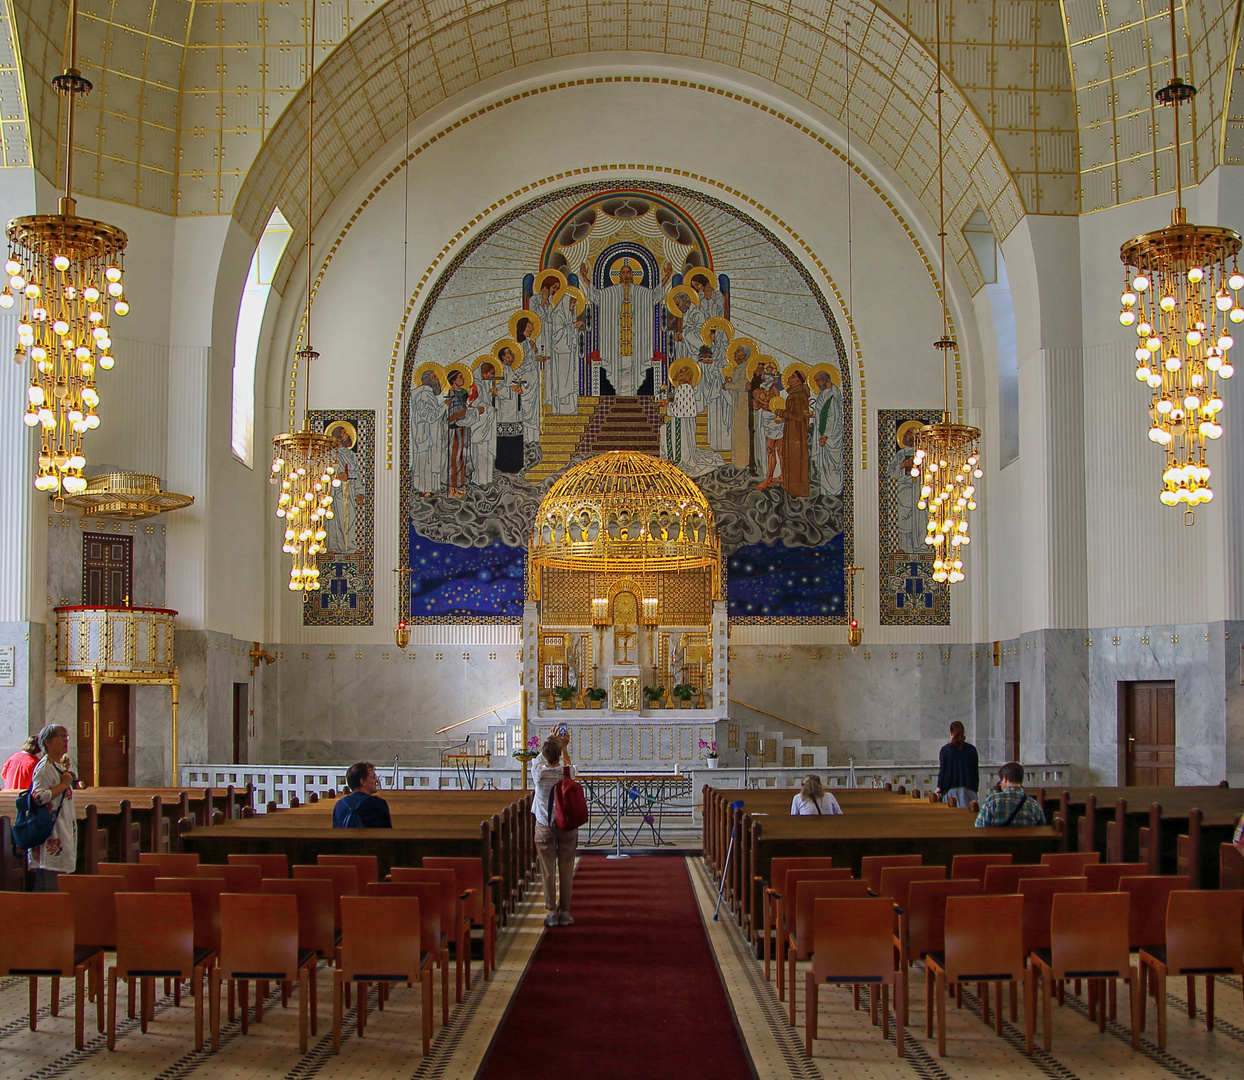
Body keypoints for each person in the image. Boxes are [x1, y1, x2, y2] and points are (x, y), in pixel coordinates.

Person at [579, 257, 672, 395]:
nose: (626, 275)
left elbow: (654, 296)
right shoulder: (611, 293)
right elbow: (597, 296)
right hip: (616, 346)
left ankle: (631, 397)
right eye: (623, 273)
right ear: (619, 275)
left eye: (628, 272)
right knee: (619, 376)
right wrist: (584, 278)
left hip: (635, 345)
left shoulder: (640, 293)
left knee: (634, 374)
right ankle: (621, 397)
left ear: (632, 275)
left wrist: (667, 277)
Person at [532, 733, 579, 927]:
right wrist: (564, 746)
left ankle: (551, 911)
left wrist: (552, 742)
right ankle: (565, 911)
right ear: (560, 754)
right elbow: (569, 765)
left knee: (547, 869)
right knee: (567, 867)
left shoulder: (538, 774)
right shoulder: (567, 772)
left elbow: (538, 759)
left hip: (544, 825)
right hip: (566, 825)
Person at [27, 725, 77, 891]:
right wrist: (63, 785)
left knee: (57, 883)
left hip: (60, 831)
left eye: (66, 736)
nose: (66, 739)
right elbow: (38, 797)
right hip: (51, 834)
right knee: (49, 886)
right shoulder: (44, 768)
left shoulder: (56, 766)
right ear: (47, 742)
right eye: (61, 736)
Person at [974, 762, 1046, 827]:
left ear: (1004, 778)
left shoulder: (992, 801)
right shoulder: (1034, 805)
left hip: (998, 841)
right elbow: (1042, 829)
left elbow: (979, 827)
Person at [332, 762, 392, 828]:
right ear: (363, 782)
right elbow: (387, 834)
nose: (376, 780)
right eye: (373, 777)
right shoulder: (378, 804)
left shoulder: (339, 805)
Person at [780, 369, 811, 496]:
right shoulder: (794, 394)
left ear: (798, 380)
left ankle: (796, 489)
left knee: (795, 460)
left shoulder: (798, 396)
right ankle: (790, 488)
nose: (789, 378)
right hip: (792, 429)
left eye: (792, 377)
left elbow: (798, 416)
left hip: (796, 432)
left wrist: (782, 413)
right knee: (790, 458)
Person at [935, 720, 980, 808]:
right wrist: (975, 789)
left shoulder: (945, 750)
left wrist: (939, 788)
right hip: (969, 789)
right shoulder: (972, 750)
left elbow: (942, 771)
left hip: (949, 789)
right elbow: (975, 772)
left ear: (951, 733)